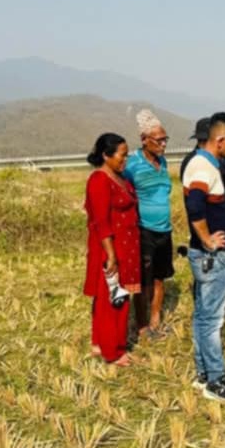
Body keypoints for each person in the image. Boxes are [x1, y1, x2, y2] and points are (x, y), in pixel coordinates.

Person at [182, 112, 225, 401]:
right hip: (212, 257)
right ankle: (215, 381)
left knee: (203, 315)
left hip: (209, 254)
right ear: (220, 140)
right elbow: (194, 206)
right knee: (212, 320)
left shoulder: (205, 164)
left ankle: (204, 372)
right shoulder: (203, 167)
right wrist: (208, 239)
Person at [83, 133, 141, 366]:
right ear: (106, 155)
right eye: (122, 155)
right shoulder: (99, 180)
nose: (125, 159)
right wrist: (111, 255)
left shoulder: (121, 178)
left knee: (112, 294)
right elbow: (101, 221)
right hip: (111, 248)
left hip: (125, 245)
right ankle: (113, 350)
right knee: (114, 298)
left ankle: (100, 342)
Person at [124, 109, 174, 337]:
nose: (163, 144)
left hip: (165, 230)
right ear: (144, 140)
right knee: (143, 282)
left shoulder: (162, 163)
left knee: (159, 278)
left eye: (165, 139)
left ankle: (155, 321)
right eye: (159, 140)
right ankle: (142, 326)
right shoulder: (132, 164)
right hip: (144, 231)